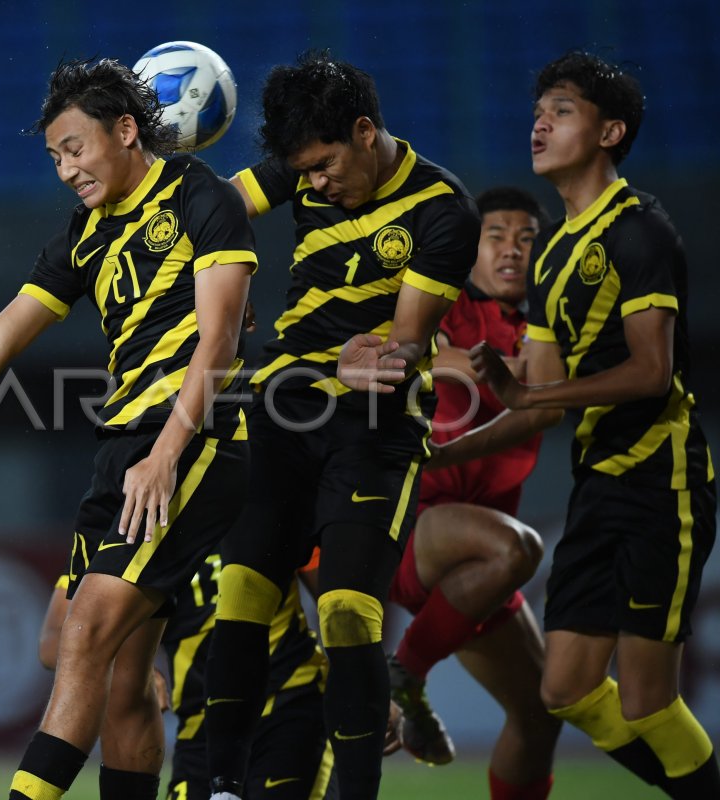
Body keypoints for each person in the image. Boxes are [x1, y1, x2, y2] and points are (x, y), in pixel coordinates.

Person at [0, 57, 256, 800]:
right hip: (123, 448)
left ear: (126, 131)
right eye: (54, 156)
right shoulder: (84, 237)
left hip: (193, 438)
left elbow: (218, 343)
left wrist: (164, 455)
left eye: (75, 148)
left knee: (89, 627)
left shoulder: (200, 196)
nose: (65, 169)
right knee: (101, 663)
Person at [203, 51, 480, 800]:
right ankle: (216, 786)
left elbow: (402, 348)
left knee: (351, 609)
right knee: (242, 599)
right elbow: (219, 209)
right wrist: (228, 278)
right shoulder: (304, 165)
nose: (316, 184)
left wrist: (364, 364)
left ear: (365, 132)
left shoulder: (443, 212)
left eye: (325, 167)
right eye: (305, 173)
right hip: (286, 407)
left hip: (376, 426)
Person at [446, 51, 718, 797]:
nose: (540, 122)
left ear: (610, 131)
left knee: (645, 699)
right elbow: (536, 394)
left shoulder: (640, 233)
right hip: (597, 489)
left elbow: (651, 372)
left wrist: (536, 398)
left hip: (662, 485)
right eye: (539, 110)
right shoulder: (555, 253)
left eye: (562, 110)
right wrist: (438, 457)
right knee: (562, 691)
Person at [384, 187, 563, 800]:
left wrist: (534, 379)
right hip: (418, 528)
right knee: (517, 550)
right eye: (496, 236)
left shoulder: (546, 326)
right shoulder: (442, 303)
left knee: (541, 713)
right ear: (472, 248)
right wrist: (515, 374)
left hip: (471, 566)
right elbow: (428, 357)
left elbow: (548, 399)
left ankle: (403, 676)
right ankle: (403, 672)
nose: (512, 249)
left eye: (525, 238)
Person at [38, 558, 343, 800]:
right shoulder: (133, 523)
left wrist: (364, 683)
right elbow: (55, 639)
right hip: (200, 731)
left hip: (288, 708)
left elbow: (337, 603)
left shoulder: (260, 496)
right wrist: (128, 668)